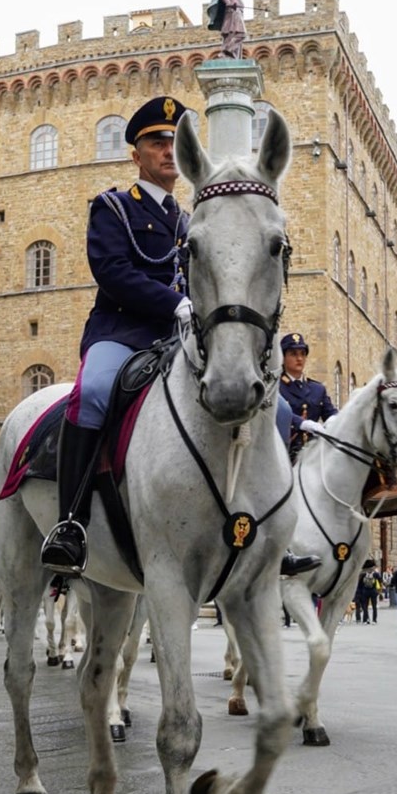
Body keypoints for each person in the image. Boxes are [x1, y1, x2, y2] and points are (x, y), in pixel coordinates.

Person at [40, 95, 318, 582]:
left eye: (173, 141)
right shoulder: (114, 207)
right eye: (155, 142)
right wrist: (176, 304)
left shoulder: (197, 221)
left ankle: (273, 529)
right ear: (136, 154)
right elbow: (112, 272)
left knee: (278, 409)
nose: (168, 150)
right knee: (94, 392)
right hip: (122, 333)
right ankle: (72, 523)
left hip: (183, 342)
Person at [278, 332, 337, 458]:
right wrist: (302, 423)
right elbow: (275, 412)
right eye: (293, 354)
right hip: (284, 452)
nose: (299, 358)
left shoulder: (317, 389)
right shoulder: (276, 387)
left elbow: (330, 412)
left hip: (314, 453)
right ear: (283, 358)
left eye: (302, 354)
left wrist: (333, 421)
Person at [355, 559, 381, 624]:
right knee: (374, 606)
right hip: (373, 591)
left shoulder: (363, 573)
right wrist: (378, 591)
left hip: (365, 591)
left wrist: (359, 591)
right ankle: (374, 620)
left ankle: (366, 619)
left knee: (365, 606)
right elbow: (380, 581)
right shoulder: (375, 574)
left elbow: (359, 583)